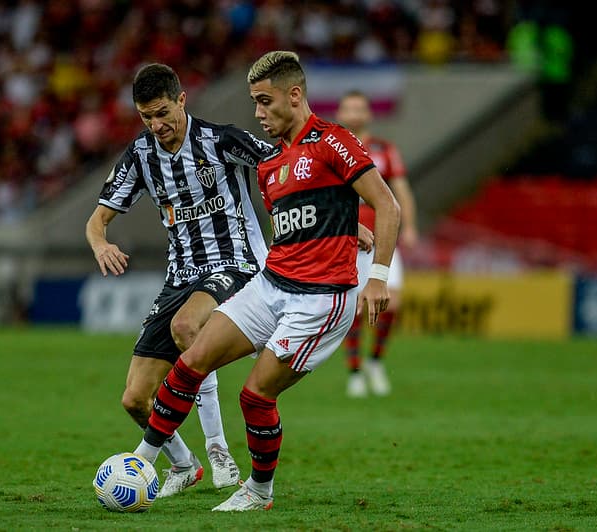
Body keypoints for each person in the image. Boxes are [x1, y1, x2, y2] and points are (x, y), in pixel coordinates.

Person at [133, 51, 400, 511]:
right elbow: (301, 220)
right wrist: (345, 224)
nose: (257, 113)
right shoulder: (269, 166)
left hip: (321, 299)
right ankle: (141, 462)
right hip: (272, 283)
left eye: (264, 101)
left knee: (254, 396)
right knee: (192, 359)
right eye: (254, 102)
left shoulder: (333, 141)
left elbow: (388, 206)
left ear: (294, 96)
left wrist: (377, 276)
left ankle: (258, 491)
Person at [85, 63, 275, 497]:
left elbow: (285, 165)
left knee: (187, 327)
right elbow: (97, 221)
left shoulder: (221, 139)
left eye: (163, 112)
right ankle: (184, 465)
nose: (157, 124)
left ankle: (218, 447)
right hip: (181, 275)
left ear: (182, 99)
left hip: (234, 262)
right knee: (134, 399)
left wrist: (337, 220)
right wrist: (100, 245)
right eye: (146, 116)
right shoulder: (140, 155)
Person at [335, 90, 419, 398]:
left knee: (392, 302)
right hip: (348, 241)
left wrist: (409, 226)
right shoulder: (331, 149)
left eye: (360, 107)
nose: (355, 113)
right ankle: (355, 371)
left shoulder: (384, 150)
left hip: (383, 238)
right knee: (355, 307)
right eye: (349, 107)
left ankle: (375, 361)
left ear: (368, 114)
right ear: (341, 114)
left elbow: (401, 191)